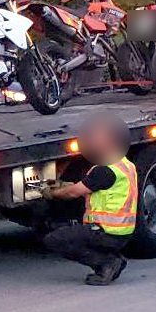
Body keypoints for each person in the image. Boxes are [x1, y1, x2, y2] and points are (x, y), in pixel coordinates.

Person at [39, 112, 138, 285]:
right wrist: (65, 184)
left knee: (54, 240)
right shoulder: (124, 164)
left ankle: (106, 262)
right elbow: (92, 187)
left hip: (106, 231)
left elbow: (73, 193)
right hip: (120, 231)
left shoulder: (106, 169)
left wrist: (51, 193)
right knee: (65, 228)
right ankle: (111, 258)